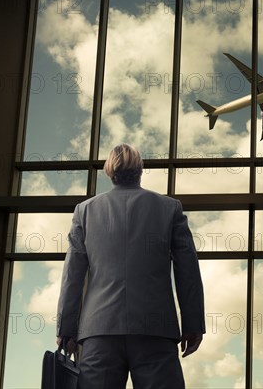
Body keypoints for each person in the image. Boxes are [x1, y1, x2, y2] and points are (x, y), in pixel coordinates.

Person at [55, 143, 205, 389]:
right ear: (140, 169)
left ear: (109, 171)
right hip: (155, 329)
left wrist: (67, 328)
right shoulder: (170, 208)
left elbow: (72, 275)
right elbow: (187, 270)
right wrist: (193, 324)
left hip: (99, 330)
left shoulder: (84, 211)